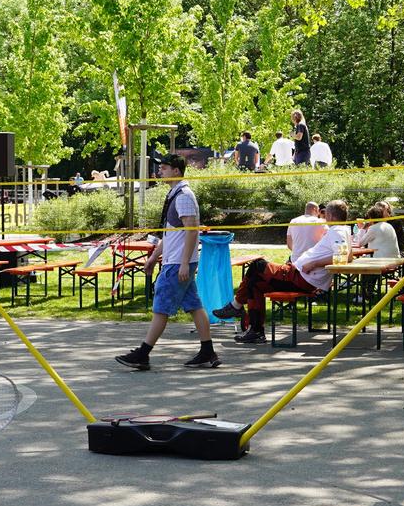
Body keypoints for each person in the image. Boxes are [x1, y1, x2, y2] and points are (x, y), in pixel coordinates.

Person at [115, 153, 219, 371]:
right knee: (194, 306)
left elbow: (192, 232)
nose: (159, 170)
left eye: (164, 167)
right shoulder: (175, 194)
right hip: (176, 260)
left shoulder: (183, 196)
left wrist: (183, 263)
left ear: (177, 171)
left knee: (161, 307)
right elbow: (170, 234)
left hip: (177, 263)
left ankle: (143, 354)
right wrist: (154, 257)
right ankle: (208, 352)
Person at [215, 199, 350, 344]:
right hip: (299, 275)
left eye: (326, 213)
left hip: (301, 277)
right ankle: (255, 331)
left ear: (330, 215)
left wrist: (314, 263)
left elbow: (342, 258)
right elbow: (348, 255)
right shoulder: (343, 230)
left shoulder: (337, 231)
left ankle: (236, 306)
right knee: (255, 284)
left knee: (257, 266)